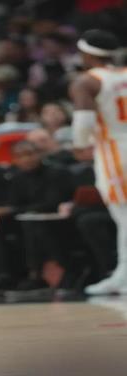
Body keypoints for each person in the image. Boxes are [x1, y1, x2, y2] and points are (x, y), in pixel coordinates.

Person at [69, 29, 126, 295]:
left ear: (87, 54)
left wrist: (80, 145)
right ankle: (122, 274)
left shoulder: (87, 81)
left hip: (115, 151)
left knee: (123, 216)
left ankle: (123, 277)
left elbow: (84, 121)